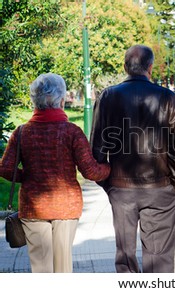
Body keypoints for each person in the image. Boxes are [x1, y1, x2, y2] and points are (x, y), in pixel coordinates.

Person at [90, 44, 175, 273]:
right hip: (160, 186)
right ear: (150, 68)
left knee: (125, 255)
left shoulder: (107, 96)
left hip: (121, 188)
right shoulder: (167, 97)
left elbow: (97, 148)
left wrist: (109, 184)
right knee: (160, 258)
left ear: (125, 67)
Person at [0, 73, 110, 273]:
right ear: (61, 99)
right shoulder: (72, 132)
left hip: (34, 208)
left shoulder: (21, 132)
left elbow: (5, 168)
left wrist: (31, 177)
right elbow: (91, 171)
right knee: (63, 268)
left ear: (35, 100)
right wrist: (110, 168)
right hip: (65, 207)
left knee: (41, 269)